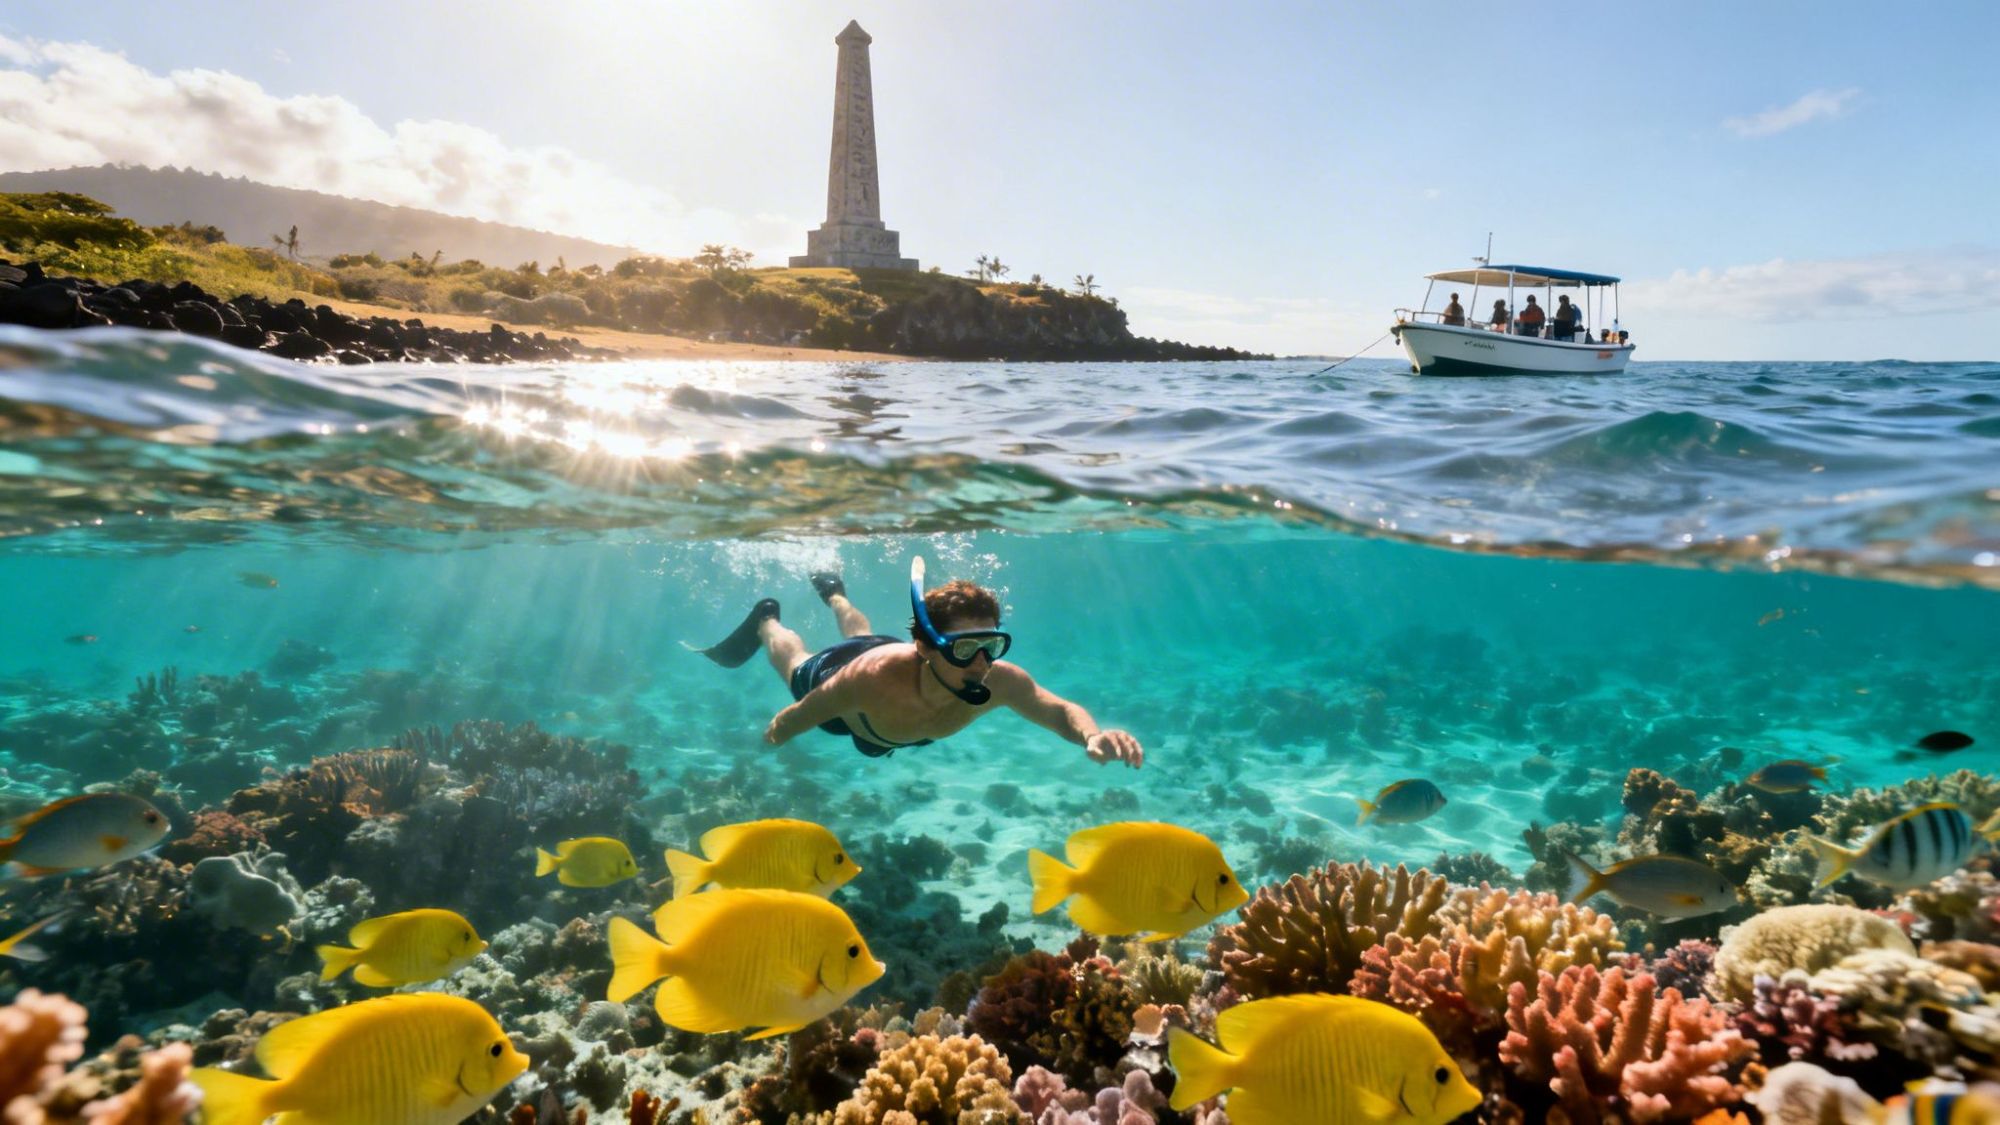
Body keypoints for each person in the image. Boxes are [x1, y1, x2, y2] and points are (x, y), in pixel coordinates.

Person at [697, 563, 1145, 768]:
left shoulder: (998, 682)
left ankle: (835, 592)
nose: (983, 663)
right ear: (926, 646)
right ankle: (767, 620)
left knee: (860, 633)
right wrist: (758, 750)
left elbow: (1058, 709)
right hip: (849, 693)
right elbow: (793, 719)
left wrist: (1093, 734)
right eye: (967, 648)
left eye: (991, 644)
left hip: (883, 669)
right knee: (796, 663)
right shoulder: (866, 683)